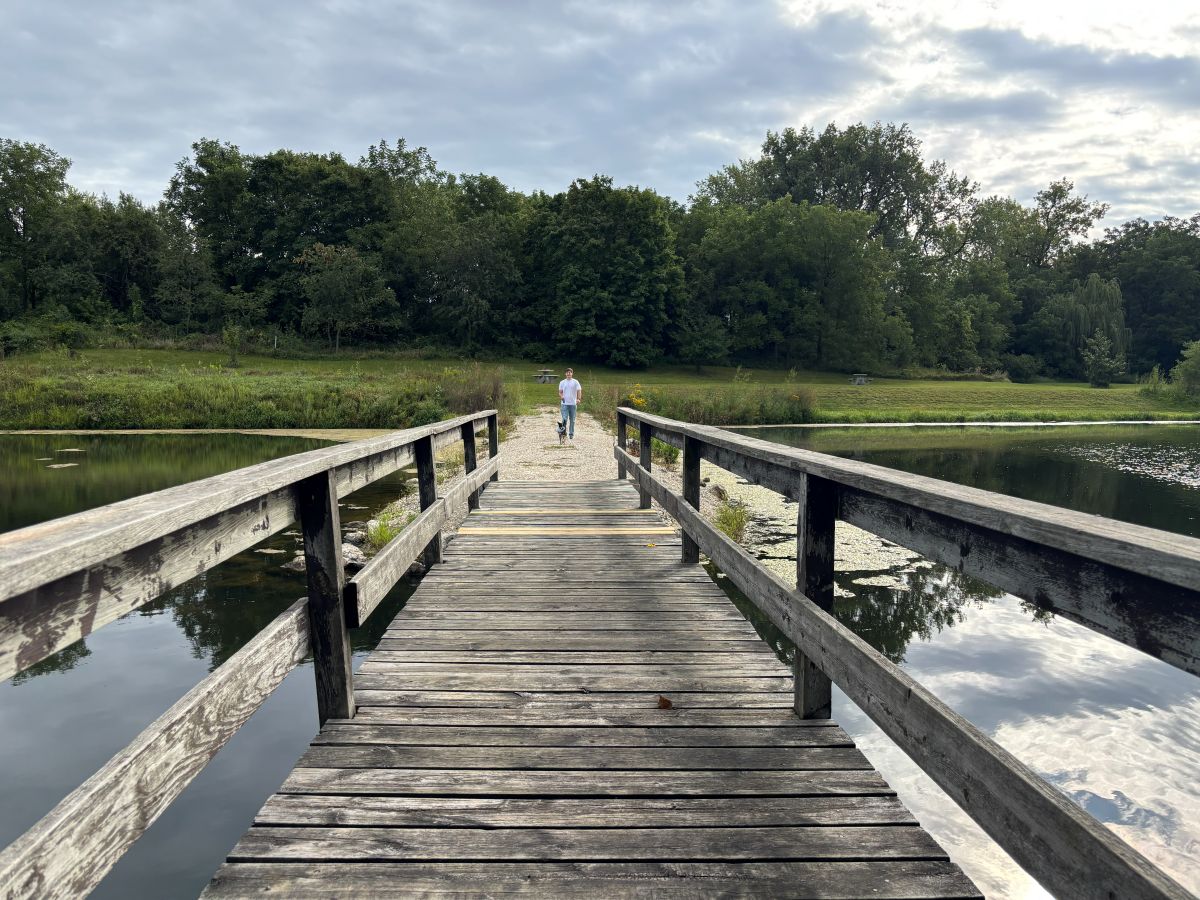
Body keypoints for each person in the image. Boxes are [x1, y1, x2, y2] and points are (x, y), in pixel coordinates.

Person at [558, 367, 582, 441]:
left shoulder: (575, 382)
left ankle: (571, 433)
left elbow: (579, 391)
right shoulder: (562, 382)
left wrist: (578, 399)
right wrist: (561, 396)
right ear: (565, 374)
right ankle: (563, 433)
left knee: (572, 420)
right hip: (564, 404)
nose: (568, 373)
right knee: (564, 419)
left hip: (573, 404)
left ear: (572, 373)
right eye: (567, 372)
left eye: (570, 372)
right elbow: (560, 392)